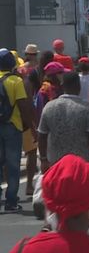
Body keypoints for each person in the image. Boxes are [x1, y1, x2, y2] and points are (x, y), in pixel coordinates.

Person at [38, 72, 89, 171]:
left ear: (62, 86)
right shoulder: (86, 109)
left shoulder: (49, 107)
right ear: (79, 86)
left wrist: (43, 159)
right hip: (81, 166)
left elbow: (42, 135)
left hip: (56, 166)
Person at [0, 49, 35, 212]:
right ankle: (11, 201)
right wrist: (32, 128)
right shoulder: (16, 81)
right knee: (13, 164)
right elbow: (23, 107)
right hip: (13, 126)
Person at [18, 44, 41, 195]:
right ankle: (29, 186)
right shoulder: (38, 70)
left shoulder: (20, 69)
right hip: (32, 111)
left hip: (18, 113)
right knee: (32, 152)